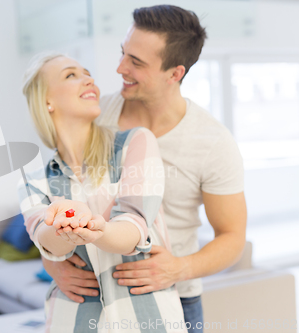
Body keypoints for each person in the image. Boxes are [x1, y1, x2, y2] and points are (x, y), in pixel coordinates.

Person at [41, 5, 247, 333]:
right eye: (124, 53)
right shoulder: (98, 113)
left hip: (171, 296)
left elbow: (233, 237)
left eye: (136, 62)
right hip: (96, 295)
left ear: (174, 73)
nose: (120, 67)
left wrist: (179, 268)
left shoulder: (212, 143)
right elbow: (52, 195)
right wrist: (53, 264)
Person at [20, 52, 187, 333]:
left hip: (146, 319)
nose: (89, 79)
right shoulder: (35, 176)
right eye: (71, 75)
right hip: (72, 320)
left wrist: (95, 229)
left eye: (87, 73)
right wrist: (64, 227)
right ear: (46, 100)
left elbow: (134, 225)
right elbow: (46, 241)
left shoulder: (134, 143)